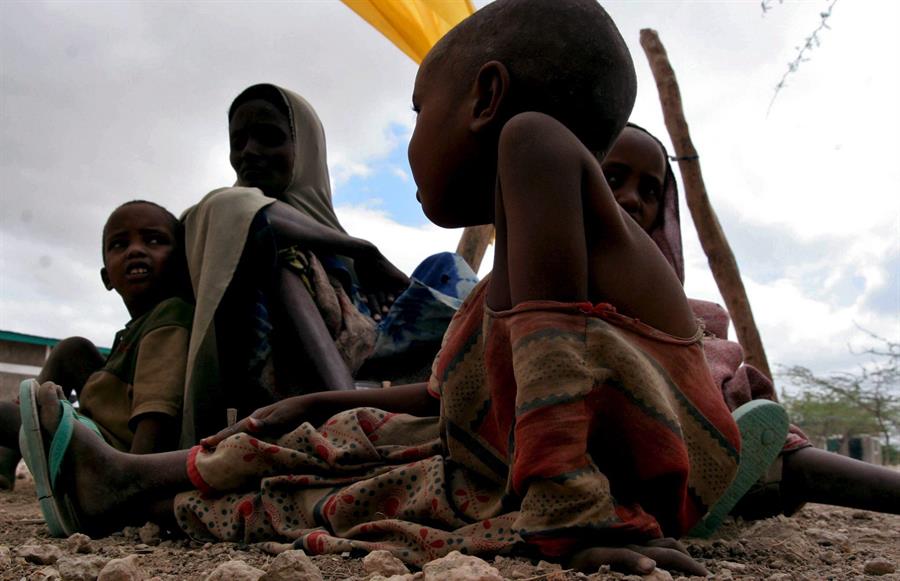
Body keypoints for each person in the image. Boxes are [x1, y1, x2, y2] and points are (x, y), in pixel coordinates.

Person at [22, 1, 757, 575]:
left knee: (348, 458)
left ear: (485, 96)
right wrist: (316, 401)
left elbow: (555, 366)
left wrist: (570, 504)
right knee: (322, 465)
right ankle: (124, 486)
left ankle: (126, 480)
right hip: (507, 474)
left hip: (585, 486)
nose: (410, 140)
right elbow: (443, 400)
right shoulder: (508, 284)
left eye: (415, 108)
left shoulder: (533, 143)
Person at [600, 122, 900, 522]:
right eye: (612, 178)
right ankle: (728, 472)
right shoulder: (526, 291)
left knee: (702, 331)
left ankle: (745, 468)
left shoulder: (682, 312)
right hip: (591, 440)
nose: (632, 200)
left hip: (685, 432)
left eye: (650, 191)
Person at [180, 84, 476, 446]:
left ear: (306, 150)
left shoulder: (335, 253)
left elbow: (372, 320)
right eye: (238, 141)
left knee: (447, 267)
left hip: (381, 371)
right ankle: (354, 417)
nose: (249, 152)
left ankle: (477, 377)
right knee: (279, 253)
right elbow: (241, 211)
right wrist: (364, 250)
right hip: (290, 390)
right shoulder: (215, 218)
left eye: (269, 137)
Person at [1, 200, 193, 490]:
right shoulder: (134, 329)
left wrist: (130, 481)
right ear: (107, 278)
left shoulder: (170, 315)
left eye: (154, 240)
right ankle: (5, 461)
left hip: (107, 455)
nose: (136, 250)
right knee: (73, 349)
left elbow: (157, 409)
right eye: (119, 244)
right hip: (93, 434)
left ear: (181, 264)